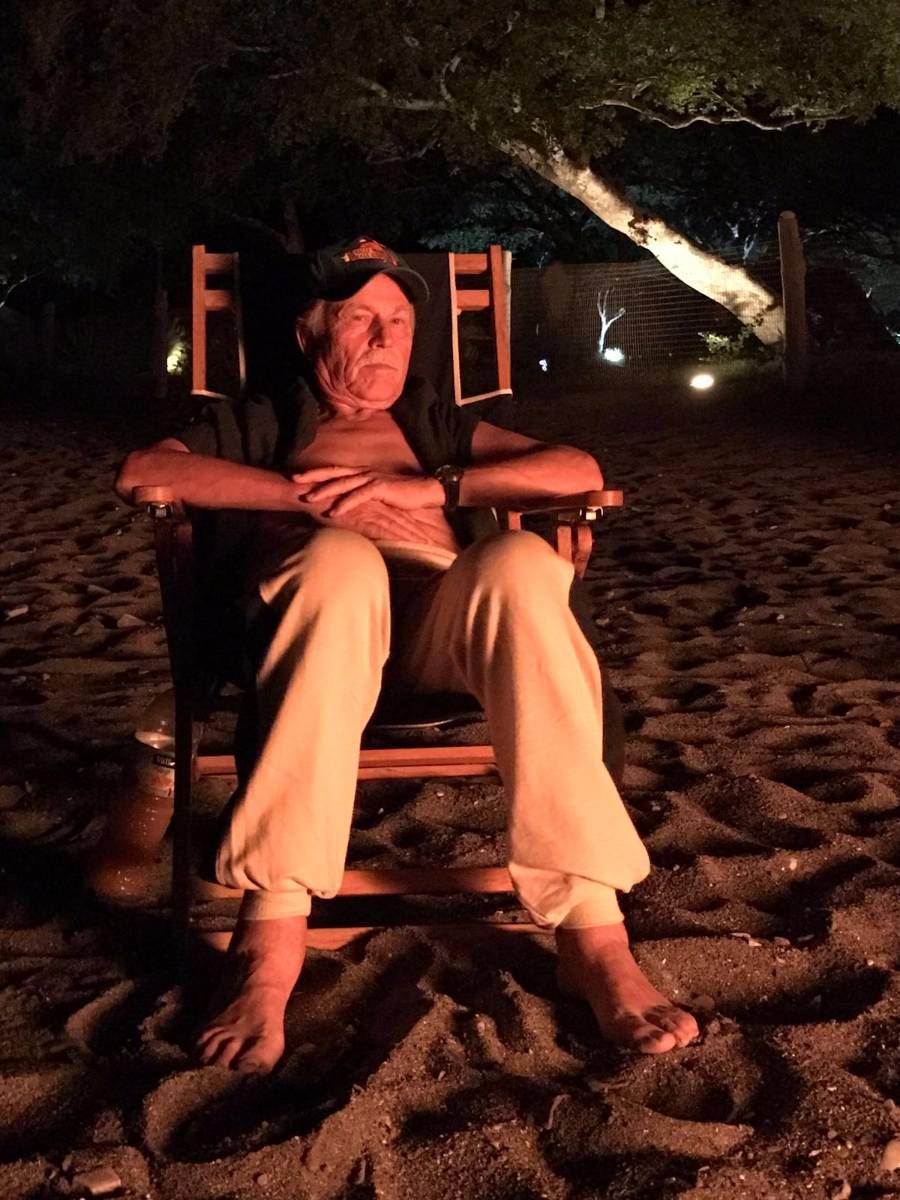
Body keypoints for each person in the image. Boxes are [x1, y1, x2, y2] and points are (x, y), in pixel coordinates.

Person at [116, 236, 698, 1073]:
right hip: (320, 633)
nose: (388, 337)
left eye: (400, 321)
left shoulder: (433, 424)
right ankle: (269, 943)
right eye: (362, 319)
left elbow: (578, 468)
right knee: (340, 560)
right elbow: (145, 470)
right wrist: (305, 500)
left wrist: (432, 487)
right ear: (309, 334)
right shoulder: (266, 420)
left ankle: (593, 935)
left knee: (522, 561)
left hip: (440, 633)